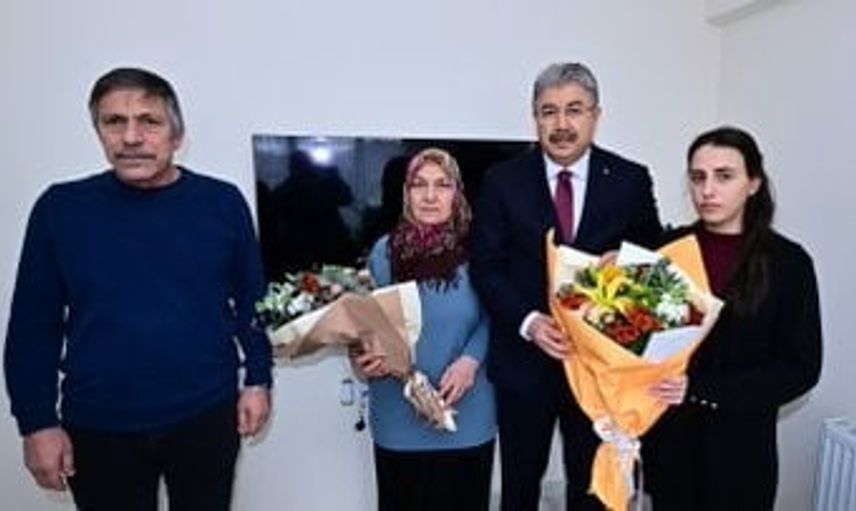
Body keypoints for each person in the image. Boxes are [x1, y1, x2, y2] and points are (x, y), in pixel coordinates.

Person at [3, 67, 273, 510]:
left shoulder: (222, 204)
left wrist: (258, 379)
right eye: (114, 122)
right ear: (99, 132)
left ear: (176, 134)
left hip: (206, 415)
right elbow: (33, 328)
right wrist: (36, 423)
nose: (131, 137)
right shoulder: (60, 210)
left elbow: (253, 302)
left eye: (149, 121)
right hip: (98, 426)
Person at [469, 62, 662, 510]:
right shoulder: (502, 181)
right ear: (534, 118)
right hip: (524, 366)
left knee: (593, 491)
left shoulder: (630, 179)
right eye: (548, 111)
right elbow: (486, 266)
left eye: (574, 110)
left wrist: (627, 264)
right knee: (519, 490)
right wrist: (530, 322)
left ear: (596, 115)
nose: (561, 124)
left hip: (601, 369)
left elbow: (654, 259)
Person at [643, 126, 822, 510]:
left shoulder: (788, 263)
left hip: (741, 449)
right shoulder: (666, 250)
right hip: (670, 444)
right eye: (698, 177)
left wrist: (700, 389)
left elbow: (801, 367)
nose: (707, 190)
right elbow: (639, 340)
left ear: (753, 183)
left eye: (724, 176)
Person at [352, 148, 497, 511]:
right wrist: (363, 357)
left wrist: (470, 361)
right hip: (398, 415)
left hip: (466, 412)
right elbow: (366, 324)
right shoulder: (384, 253)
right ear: (406, 193)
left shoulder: (480, 248)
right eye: (419, 185)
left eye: (442, 185)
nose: (430, 196)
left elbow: (496, 315)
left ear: (456, 193)